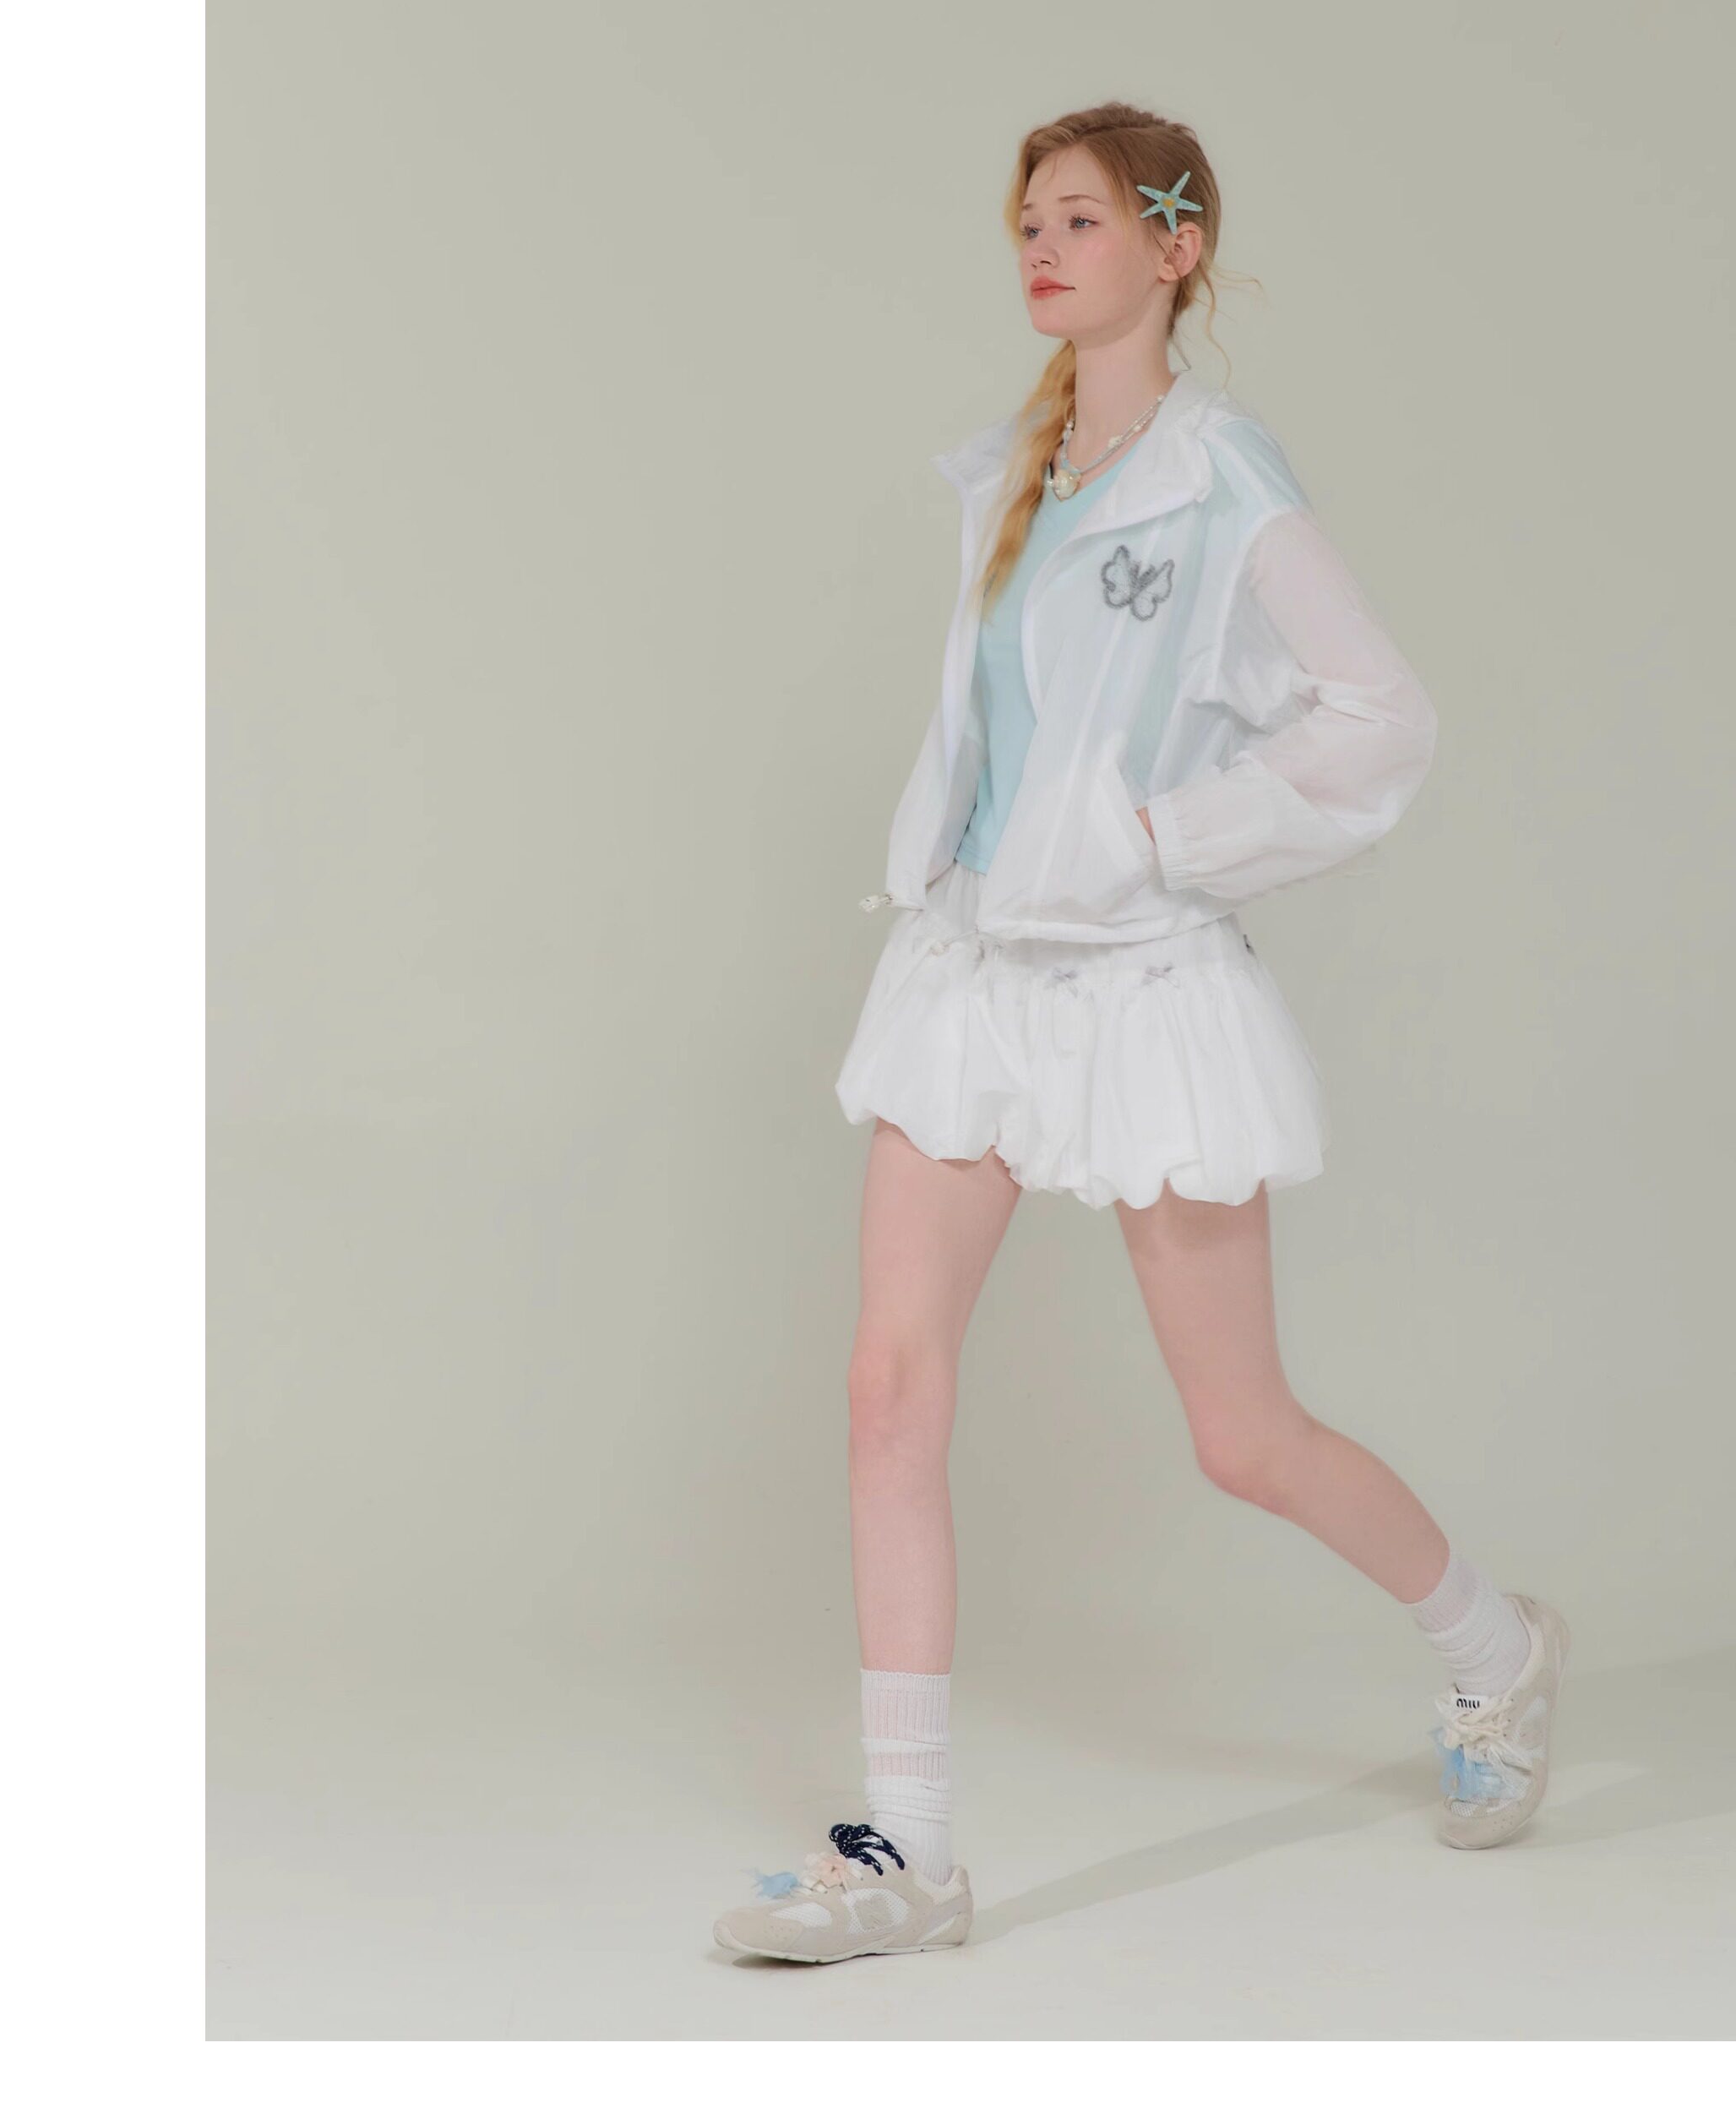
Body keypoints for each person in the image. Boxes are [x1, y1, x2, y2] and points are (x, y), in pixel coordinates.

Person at [710, 104, 1570, 1967]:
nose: (1039, 246)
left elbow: (1381, 717)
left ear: (1175, 248)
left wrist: (1166, 836)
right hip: (973, 969)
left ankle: (1498, 1649)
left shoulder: (1220, 470)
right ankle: (908, 1856)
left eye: (1081, 218)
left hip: (1143, 989)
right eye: (1026, 219)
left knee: (1241, 1436)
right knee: (886, 1390)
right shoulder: (1018, 467)